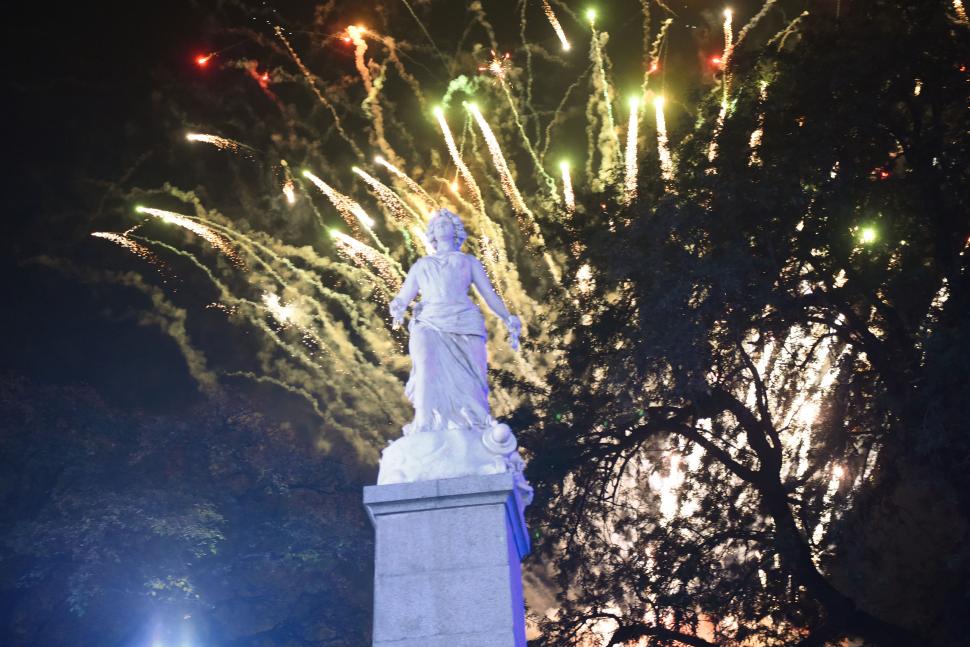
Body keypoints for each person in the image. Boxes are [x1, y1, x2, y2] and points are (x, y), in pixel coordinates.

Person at [389, 208, 521, 437]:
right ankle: (425, 421)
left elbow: (489, 295)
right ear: (431, 232)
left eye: (446, 223)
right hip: (429, 321)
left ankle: (474, 422)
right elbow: (404, 295)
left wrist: (507, 316)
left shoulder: (468, 262)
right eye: (437, 224)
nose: (441, 226)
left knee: (470, 378)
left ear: (455, 230)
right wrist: (397, 305)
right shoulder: (421, 265)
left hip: (463, 321)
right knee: (426, 366)